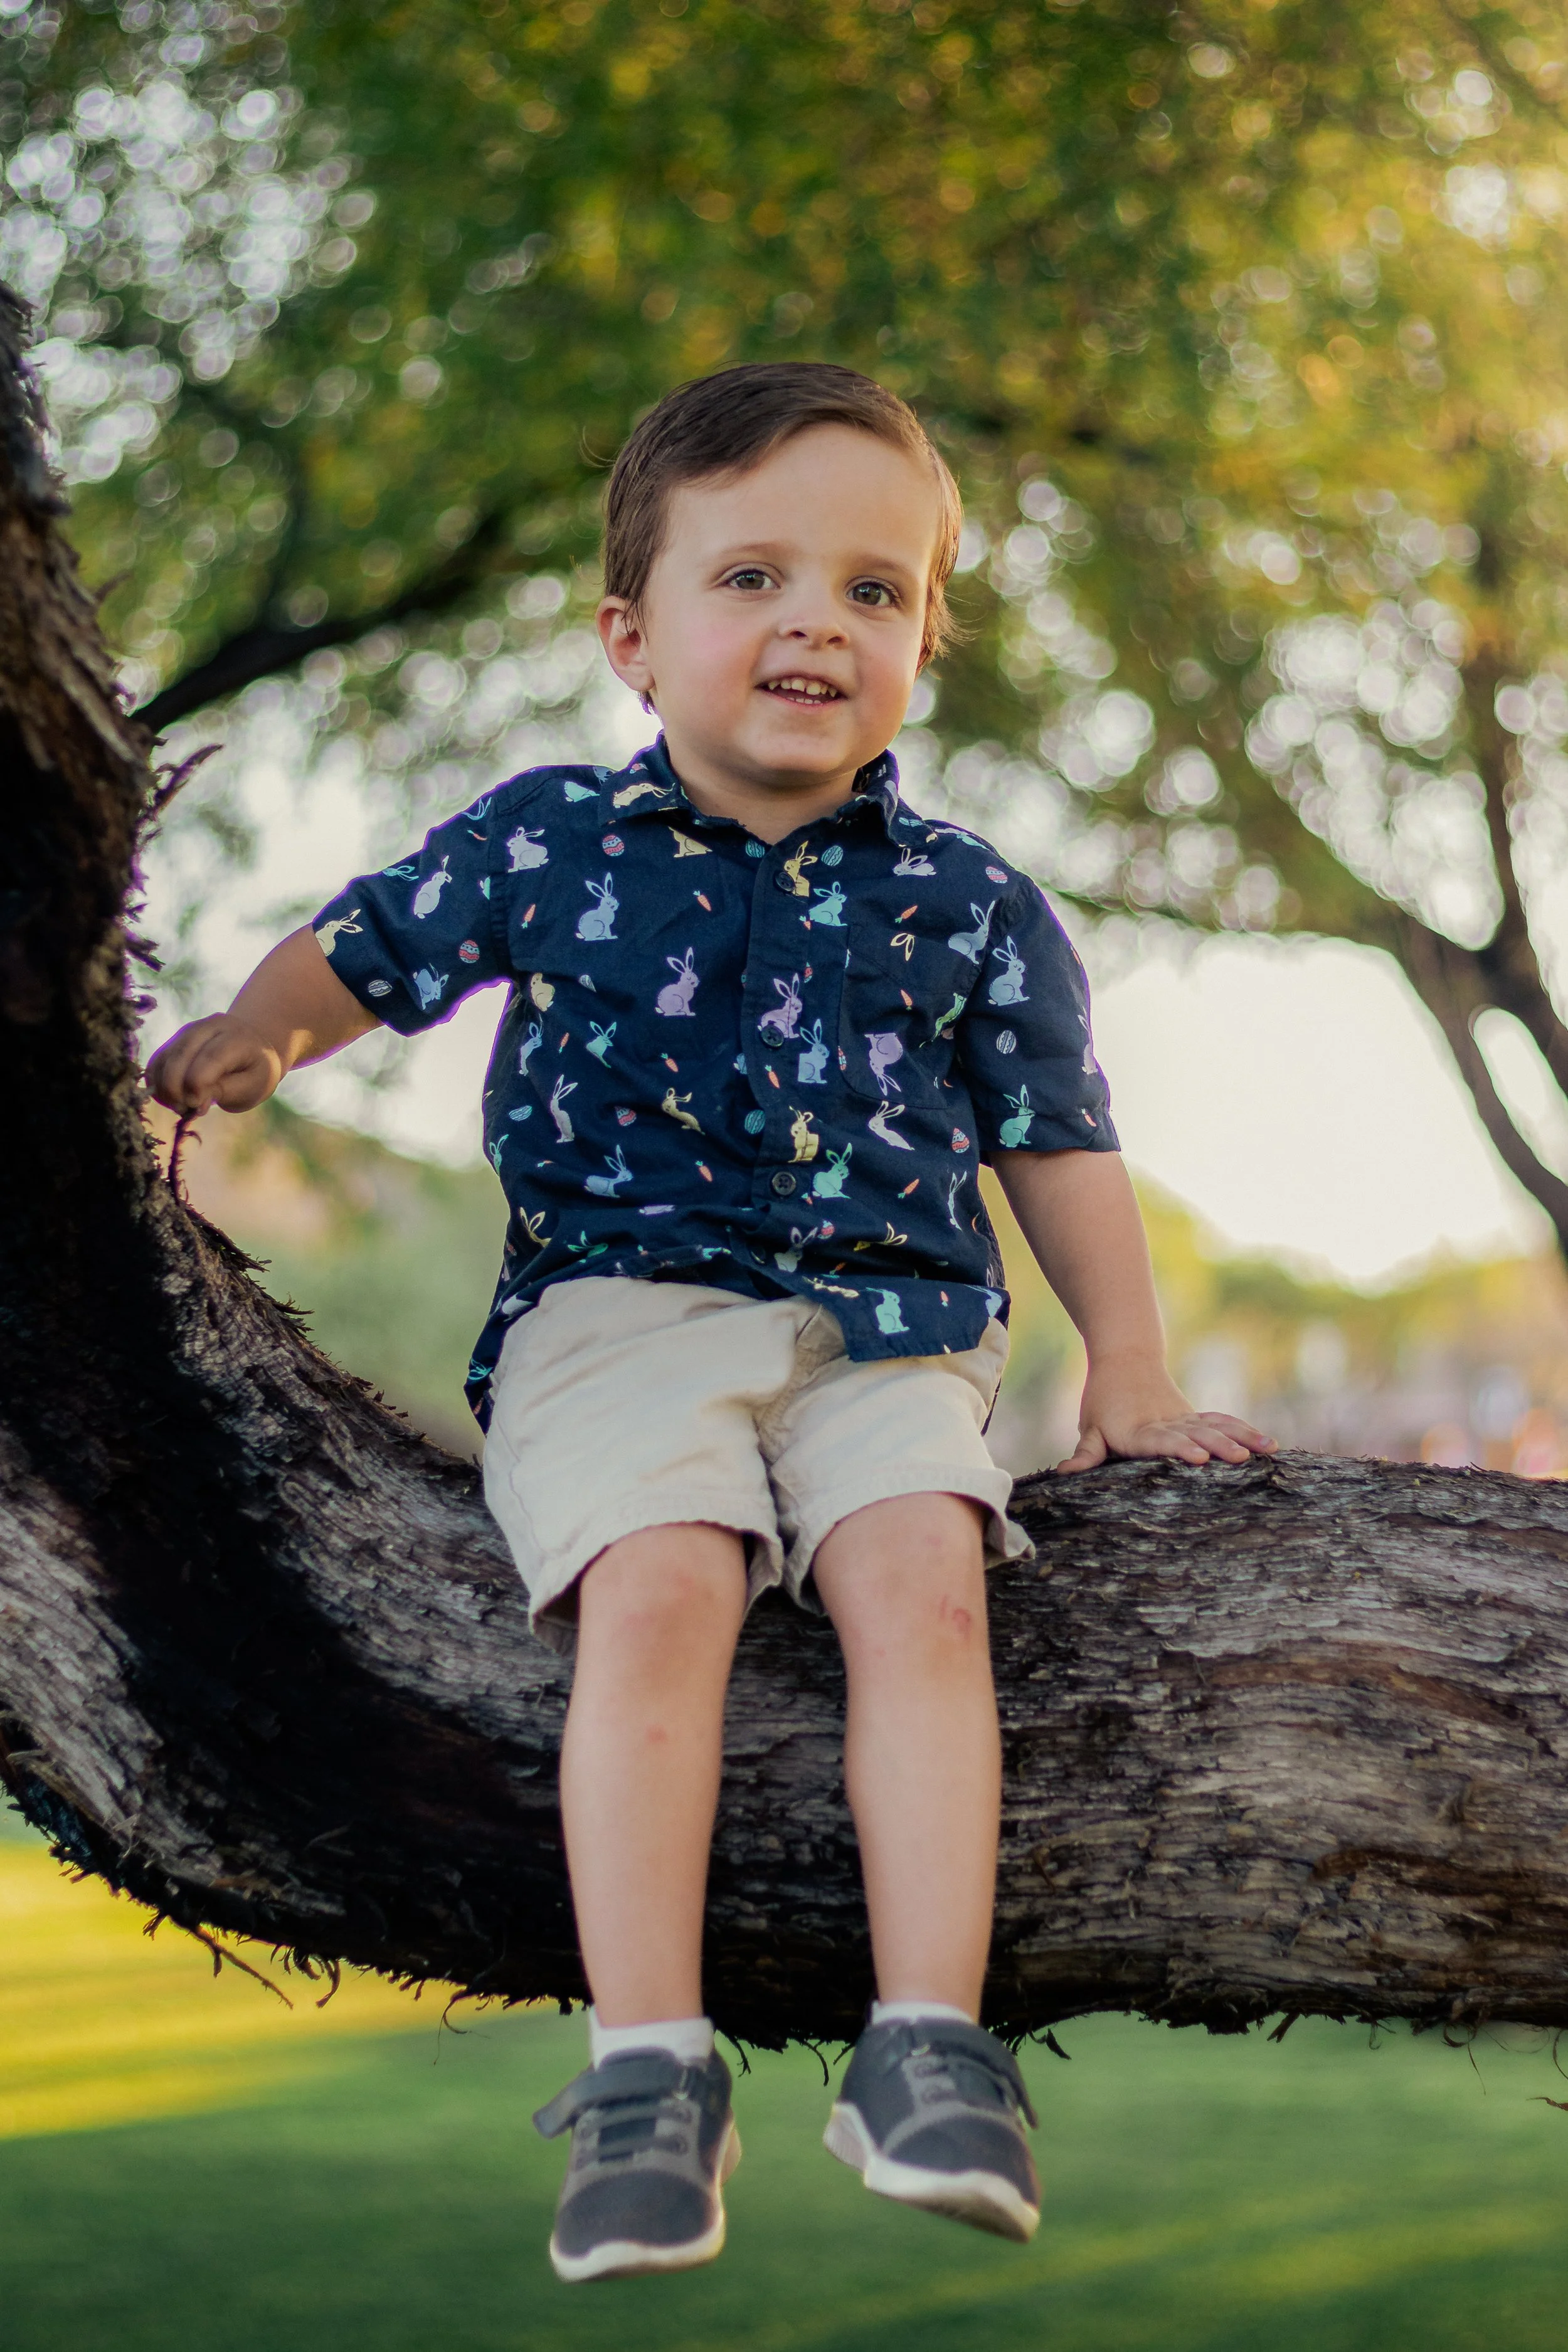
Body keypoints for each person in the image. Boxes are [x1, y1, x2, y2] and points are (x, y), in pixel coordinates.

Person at [149, 361, 1275, 2284]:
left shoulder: (970, 903)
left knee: (923, 1583)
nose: (813, 623)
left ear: (925, 634)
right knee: (659, 1582)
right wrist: (256, 1035)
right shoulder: (547, 841)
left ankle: (928, 2041)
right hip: (621, 1314)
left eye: (870, 588)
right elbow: (363, 947)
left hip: (892, 1334)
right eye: (749, 577)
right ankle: (647, 2065)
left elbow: (1059, 1142)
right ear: (632, 635)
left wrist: (1130, 1364)